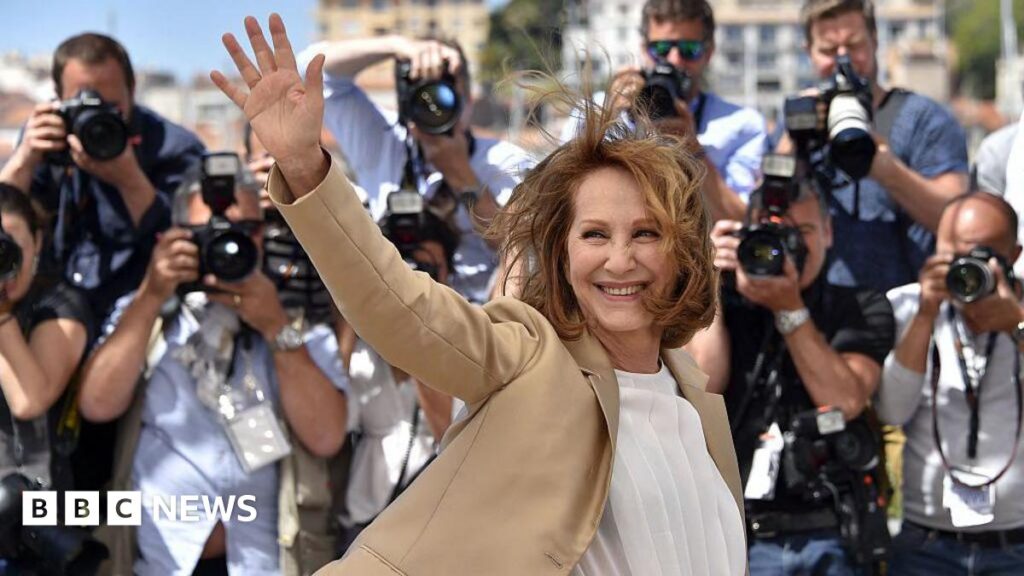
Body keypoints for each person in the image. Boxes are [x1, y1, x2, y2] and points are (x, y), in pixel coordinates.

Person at [212, 14, 746, 575]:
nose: (620, 260)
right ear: (560, 255)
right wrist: (302, 166)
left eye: (646, 232)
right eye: (594, 234)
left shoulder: (694, 397)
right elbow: (399, 304)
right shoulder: (528, 359)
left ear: (682, 249)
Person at [76, 166, 349, 575]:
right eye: (210, 233)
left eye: (245, 230)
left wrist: (275, 328)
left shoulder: (296, 324)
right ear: (176, 236)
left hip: (265, 562)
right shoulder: (148, 318)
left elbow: (327, 437)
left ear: (264, 235)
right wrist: (152, 294)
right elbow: (96, 404)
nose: (229, 246)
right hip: (164, 562)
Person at [686, 169, 895, 574]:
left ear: (829, 232)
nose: (789, 245)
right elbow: (703, 384)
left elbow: (846, 400)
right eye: (775, 232)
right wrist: (708, 282)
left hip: (832, 532)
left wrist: (790, 309)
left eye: (804, 230)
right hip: (740, 533)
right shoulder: (721, 301)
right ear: (746, 233)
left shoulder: (861, 305)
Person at [297, 35, 535, 304]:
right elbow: (313, 70)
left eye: (445, 88)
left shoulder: (504, 161)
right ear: (403, 100)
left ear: (467, 98)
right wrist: (397, 46)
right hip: (398, 318)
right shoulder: (383, 141)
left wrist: (462, 176)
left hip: (478, 324)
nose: (432, 101)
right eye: (419, 89)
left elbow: (521, 252)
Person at [0, 32, 205, 322]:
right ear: (59, 99)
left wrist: (130, 180)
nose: (96, 120)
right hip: (49, 302)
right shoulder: (45, 139)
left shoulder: (174, 149)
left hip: (143, 308)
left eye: (111, 108)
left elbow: (191, 247)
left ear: (132, 92)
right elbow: (7, 221)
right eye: (83, 105)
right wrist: (24, 160)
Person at [878, 192, 1024, 574]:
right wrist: (926, 313)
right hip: (925, 545)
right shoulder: (907, 306)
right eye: (954, 253)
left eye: (982, 254)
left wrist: (1016, 326)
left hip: (1016, 545)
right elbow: (892, 410)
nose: (966, 268)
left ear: (1015, 256)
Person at [788, 0, 968, 293]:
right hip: (814, 317)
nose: (843, 59)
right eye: (828, 50)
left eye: (855, 45)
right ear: (809, 52)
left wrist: (889, 173)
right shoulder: (797, 124)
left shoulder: (924, 119)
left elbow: (959, 221)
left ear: (875, 42)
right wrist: (793, 140)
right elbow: (762, 212)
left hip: (905, 312)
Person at [562, 0, 767, 222]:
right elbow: (558, 193)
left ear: (709, 53)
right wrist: (608, 119)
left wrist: (692, 150)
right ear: (644, 50)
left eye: (689, 50)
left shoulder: (742, 124)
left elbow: (740, 218)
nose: (674, 60)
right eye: (661, 49)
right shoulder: (598, 110)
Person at [336, 209, 458, 553]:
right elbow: (334, 427)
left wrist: (419, 332)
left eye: (427, 272)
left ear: (449, 274)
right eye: (403, 271)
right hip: (366, 531)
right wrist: (351, 312)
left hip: (437, 536)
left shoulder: (470, 347)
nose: (413, 284)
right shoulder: (363, 350)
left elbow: (451, 429)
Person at [0, 183, 95, 571]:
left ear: (38, 241)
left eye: (10, 245)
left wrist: (2, 311)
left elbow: (30, 398)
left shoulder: (60, 304)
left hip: (36, 521)